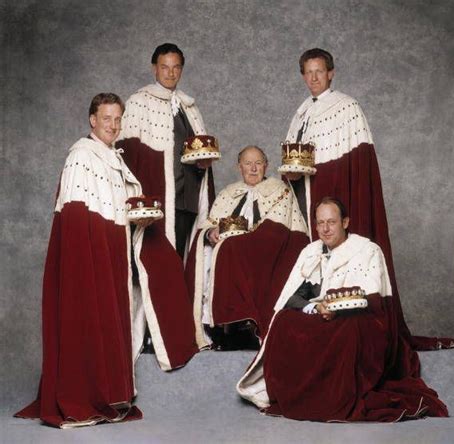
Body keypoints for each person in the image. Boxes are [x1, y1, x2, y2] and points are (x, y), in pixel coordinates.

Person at [14, 93, 197, 429]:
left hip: (113, 248)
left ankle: (112, 391)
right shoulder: (82, 155)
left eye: (117, 119)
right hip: (91, 253)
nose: (113, 125)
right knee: (88, 318)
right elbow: (74, 216)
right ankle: (87, 393)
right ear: (92, 120)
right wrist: (85, 263)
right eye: (107, 119)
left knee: (126, 308)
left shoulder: (114, 156)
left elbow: (121, 206)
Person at [282, 47, 454, 352]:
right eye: (308, 73)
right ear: (302, 76)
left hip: (334, 200)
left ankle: (341, 327)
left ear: (331, 73)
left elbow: (358, 169)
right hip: (309, 200)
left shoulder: (347, 107)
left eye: (319, 71)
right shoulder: (302, 113)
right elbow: (294, 165)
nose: (313, 78)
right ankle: (314, 319)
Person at [237, 197, 449, 422]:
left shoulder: (367, 250)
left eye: (331, 222)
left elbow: (373, 301)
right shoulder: (311, 252)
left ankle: (331, 397)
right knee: (284, 321)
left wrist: (337, 309)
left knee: (348, 330)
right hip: (322, 315)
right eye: (320, 223)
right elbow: (292, 296)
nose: (325, 229)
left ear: (345, 222)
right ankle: (300, 393)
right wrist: (315, 307)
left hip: (358, 318)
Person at [185, 146, 308, 349]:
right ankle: (217, 326)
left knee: (233, 249)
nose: (253, 168)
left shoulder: (279, 189)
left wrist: (245, 240)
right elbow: (208, 224)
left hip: (268, 250)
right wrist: (210, 232)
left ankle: (246, 323)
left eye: (258, 163)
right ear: (239, 167)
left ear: (266, 166)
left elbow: (278, 228)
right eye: (248, 164)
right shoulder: (228, 193)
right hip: (231, 248)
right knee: (208, 252)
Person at [117, 43, 215, 259]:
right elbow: (126, 156)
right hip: (157, 199)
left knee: (182, 261)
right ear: (154, 68)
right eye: (165, 67)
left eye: (176, 67)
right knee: (156, 264)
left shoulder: (189, 107)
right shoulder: (139, 102)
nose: (171, 73)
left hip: (187, 202)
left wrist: (202, 165)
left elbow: (199, 154)